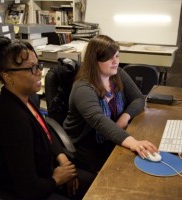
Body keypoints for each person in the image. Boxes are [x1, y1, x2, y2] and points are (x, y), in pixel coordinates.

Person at [0, 36, 94, 200]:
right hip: (18, 192)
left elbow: (43, 130)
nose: (39, 72)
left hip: (42, 173)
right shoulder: (11, 118)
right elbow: (27, 189)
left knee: (93, 184)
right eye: (31, 68)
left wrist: (62, 158)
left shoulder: (28, 98)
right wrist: (57, 179)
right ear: (8, 77)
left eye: (38, 65)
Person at [63, 35, 158, 174]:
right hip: (87, 145)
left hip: (110, 136)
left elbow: (138, 98)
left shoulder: (117, 74)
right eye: (109, 58)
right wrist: (133, 143)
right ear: (94, 61)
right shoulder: (83, 88)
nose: (115, 62)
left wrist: (124, 118)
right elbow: (99, 120)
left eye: (117, 56)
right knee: (124, 172)